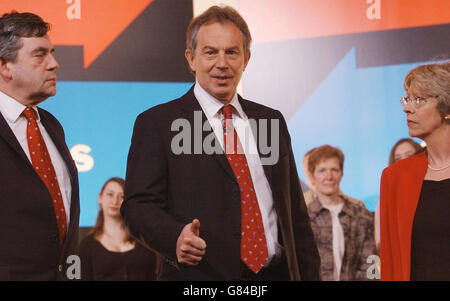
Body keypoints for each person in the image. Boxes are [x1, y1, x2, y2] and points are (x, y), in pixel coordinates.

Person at [121, 5, 321, 281]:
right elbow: (137, 206)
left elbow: (295, 217)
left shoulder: (271, 121)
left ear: (246, 59)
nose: (222, 63)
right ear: (191, 59)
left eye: (231, 52)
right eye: (210, 52)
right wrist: (174, 237)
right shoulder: (158, 124)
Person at [0, 12, 79, 280]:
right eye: (39, 55)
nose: (54, 64)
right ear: (4, 66)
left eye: (52, 53)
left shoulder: (51, 126)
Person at [380, 61, 450, 281]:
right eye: (407, 99)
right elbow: (390, 263)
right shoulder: (395, 177)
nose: (407, 108)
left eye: (419, 100)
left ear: (447, 109)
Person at [303, 145, 376, 281]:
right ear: (312, 176)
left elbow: (370, 264)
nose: (329, 176)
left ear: (341, 174)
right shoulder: (303, 219)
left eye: (334, 170)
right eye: (322, 171)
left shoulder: (361, 215)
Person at [79, 177, 157, 281]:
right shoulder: (86, 246)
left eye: (122, 196)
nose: (115, 201)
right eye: (110, 194)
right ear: (100, 198)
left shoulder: (144, 243)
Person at [374, 138, 424, 252]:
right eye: (398, 159)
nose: (403, 161)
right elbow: (380, 242)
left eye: (409, 155)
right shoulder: (385, 200)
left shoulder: (431, 190)